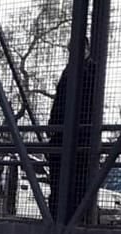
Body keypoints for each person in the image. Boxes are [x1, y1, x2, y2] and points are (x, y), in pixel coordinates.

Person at [47, 38, 98, 220]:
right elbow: (59, 101)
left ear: (86, 48)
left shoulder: (91, 70)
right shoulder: (68, 71)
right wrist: (52, 124)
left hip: (81, 136)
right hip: (63, 135)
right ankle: (57, 222)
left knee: (78, 186)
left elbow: (91, 104)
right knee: (59, 183)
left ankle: (73, 223)